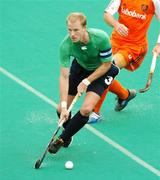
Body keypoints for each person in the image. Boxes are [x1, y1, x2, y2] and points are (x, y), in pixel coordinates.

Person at [48, 12, 119, 154]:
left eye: (76, 30)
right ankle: (68, 135)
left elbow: (106, 65)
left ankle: (62, 138)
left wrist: (86, 81)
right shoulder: (66, 45)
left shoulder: (100, 38)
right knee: (60, 109)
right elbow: (63, 76)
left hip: (102, 71)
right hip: (79, 68)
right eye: (69, 30)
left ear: (84, 28)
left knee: (86, 109)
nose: (72, 34)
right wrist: (63, 107)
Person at [88, 0, 160, 123]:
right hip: (115, 41)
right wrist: (116, 24)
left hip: (134, 47)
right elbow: (107, 15)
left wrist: (158, 44)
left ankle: (95, 113)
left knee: (108, 69)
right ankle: (125, 95)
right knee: (96, 71)